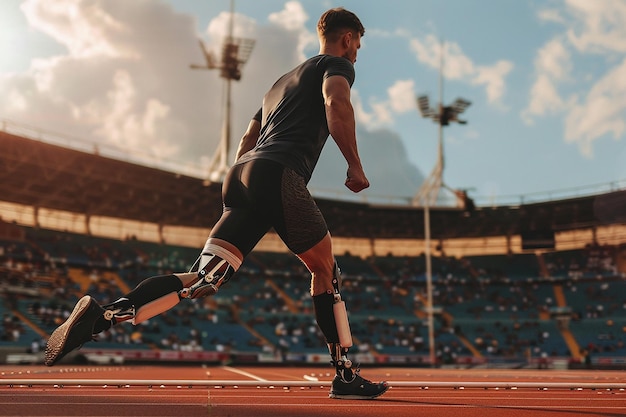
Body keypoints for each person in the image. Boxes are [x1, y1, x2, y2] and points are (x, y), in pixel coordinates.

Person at [44, 7, 388, 400]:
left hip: (242, 175)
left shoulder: (276, 87)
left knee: (205, 279)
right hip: (279, 174)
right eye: (358, 44)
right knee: (326, 270)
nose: (358, 52)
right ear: (347, 38)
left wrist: (242, 181)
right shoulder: (336, 66)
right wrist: (355, 165)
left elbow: (247, 138)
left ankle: (104, 315)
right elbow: (336, 105)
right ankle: (344, 375)